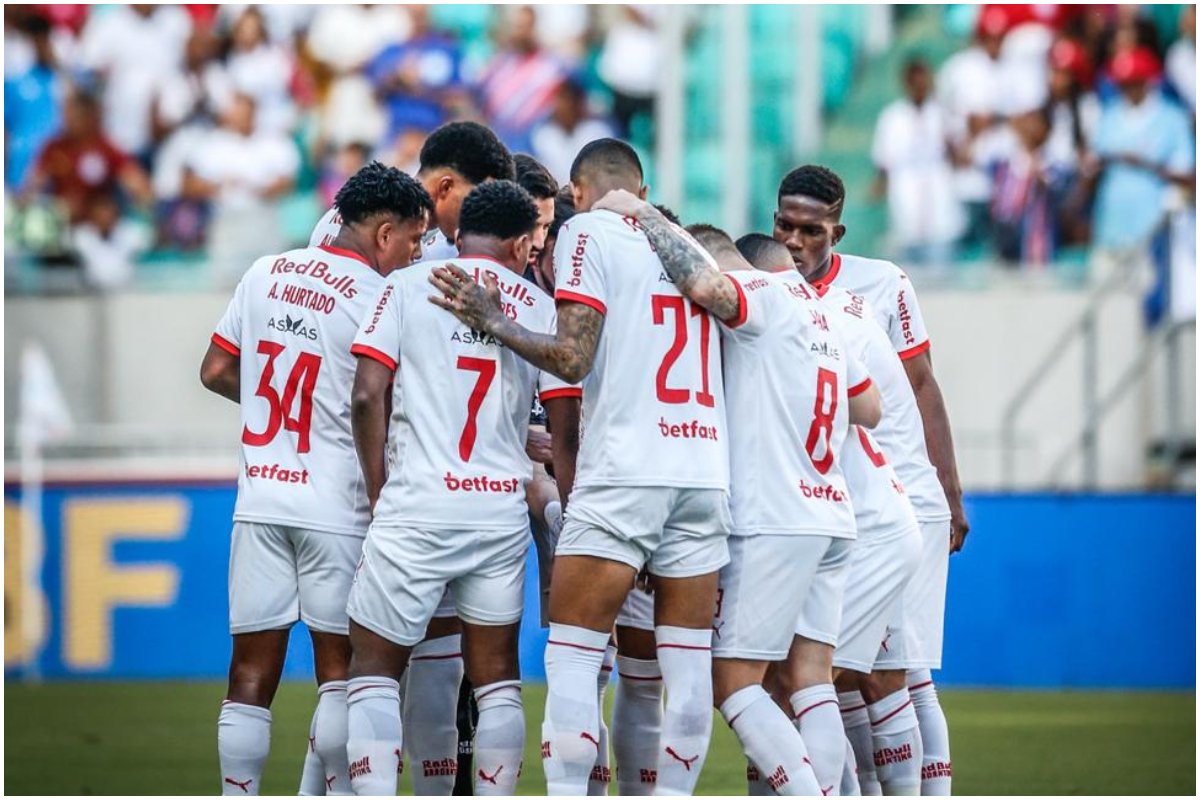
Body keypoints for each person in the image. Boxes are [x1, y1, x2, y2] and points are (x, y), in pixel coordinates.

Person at [428, 138, 731, 796]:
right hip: (703, 471)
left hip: (624, 471)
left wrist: (492, 319)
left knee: (574, 662)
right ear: (643, 193)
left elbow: (570, 357)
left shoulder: (588, 232)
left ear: (579, 193)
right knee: (685, 670)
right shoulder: (689, 248)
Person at [598, 196, 886, 797]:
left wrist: (649, 219)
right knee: (810, 682)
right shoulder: (821, 312)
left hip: (774, 517)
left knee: (733, 683)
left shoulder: (762, 296)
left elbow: (708, 286)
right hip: (831, 513)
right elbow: (870, 407)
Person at [199, 162, 433, 797]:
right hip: (339, 504)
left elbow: (217, 369)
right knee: (343, 674)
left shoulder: (264, 271)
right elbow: (377, 398)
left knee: (250, 672)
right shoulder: (381, 297)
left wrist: (277, 417)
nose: (414, 254)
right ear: (384, 233)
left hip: (261, 498)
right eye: (413, 240)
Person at [343, 180, 581, 796]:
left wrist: (378, 493)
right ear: (518, 241)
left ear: (458, 233)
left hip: (415, 506)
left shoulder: (401, 288)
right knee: (496, 676)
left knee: (373, 672)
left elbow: (368, 394)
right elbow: (563, 428)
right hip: (497, 512)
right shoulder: (538, 308)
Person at [774, 165, 966, 795]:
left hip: (902, 497)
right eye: (785, 226)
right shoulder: (769, 285)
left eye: (811, 230)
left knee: (900, 674)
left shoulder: (882, 284)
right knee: (844, 673)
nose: (796, 241)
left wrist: (948, 490)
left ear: (839, 230)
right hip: (838, 504)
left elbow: (922, 383)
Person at [310, 121, 515, 264]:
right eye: (479, 200)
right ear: (446, 187)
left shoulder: (346, 211)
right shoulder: (352, 219)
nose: (483, 216)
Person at [872, 58, 964, 267]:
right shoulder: (892, 117)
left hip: (940, 200)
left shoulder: (943, 113)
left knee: (941, 269)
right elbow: (883, 162)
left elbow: (958, 157)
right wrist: (878, 188)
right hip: (906, 199)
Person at [25, 88, 153, 225]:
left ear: (88, 115)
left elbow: (138, 184)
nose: (66, 120)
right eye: (65, 114)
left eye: (73, 115)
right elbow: (33, 184)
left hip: (94, 226)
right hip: (61, 221)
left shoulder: (105, 148)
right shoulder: (54, 147)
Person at [531, 78, 618, 185]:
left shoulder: (598, 132)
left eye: (566, 101)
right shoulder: (544, 136)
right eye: (558, 101)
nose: (560, 107)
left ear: (578, 104)